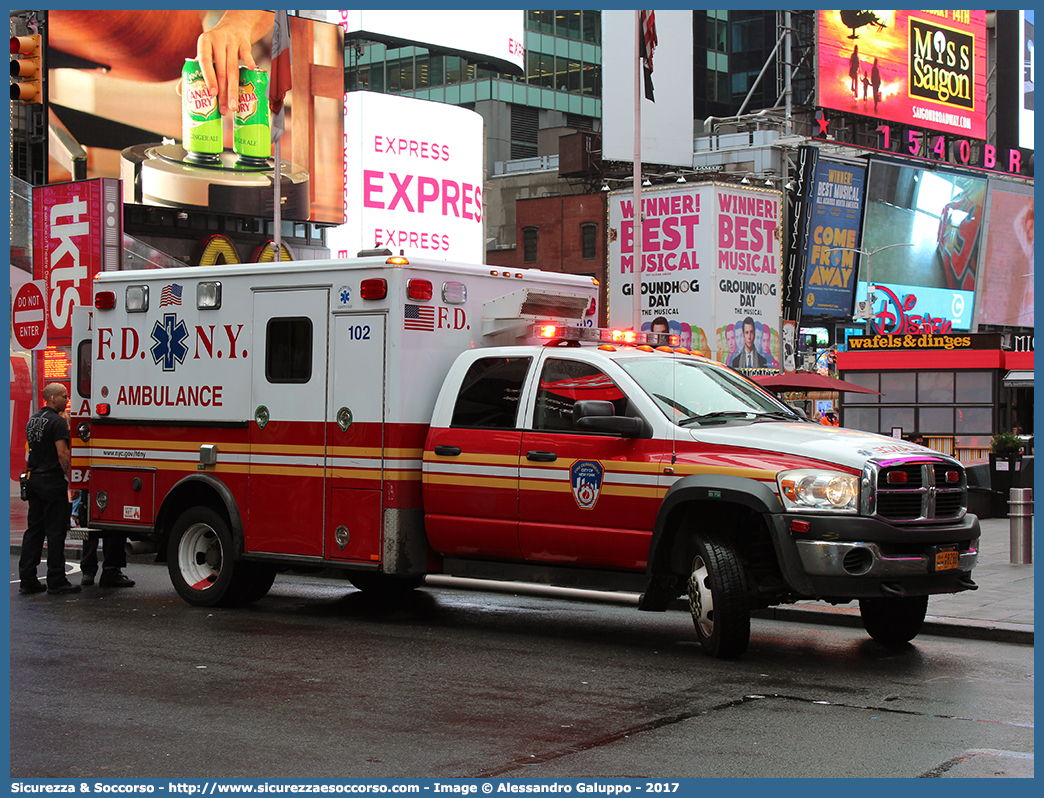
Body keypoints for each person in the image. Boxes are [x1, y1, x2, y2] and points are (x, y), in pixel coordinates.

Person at [19, 384, 80, 595]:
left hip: (34, 479)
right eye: (64, 396)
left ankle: (27, 579)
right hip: (52, 481)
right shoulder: (57, 422)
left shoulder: (33, 420)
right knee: (55, 532)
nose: (67, 399)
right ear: (53, 398)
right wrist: (73, 480)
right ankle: (56, 579)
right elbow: (63, 454)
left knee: (34, 530)